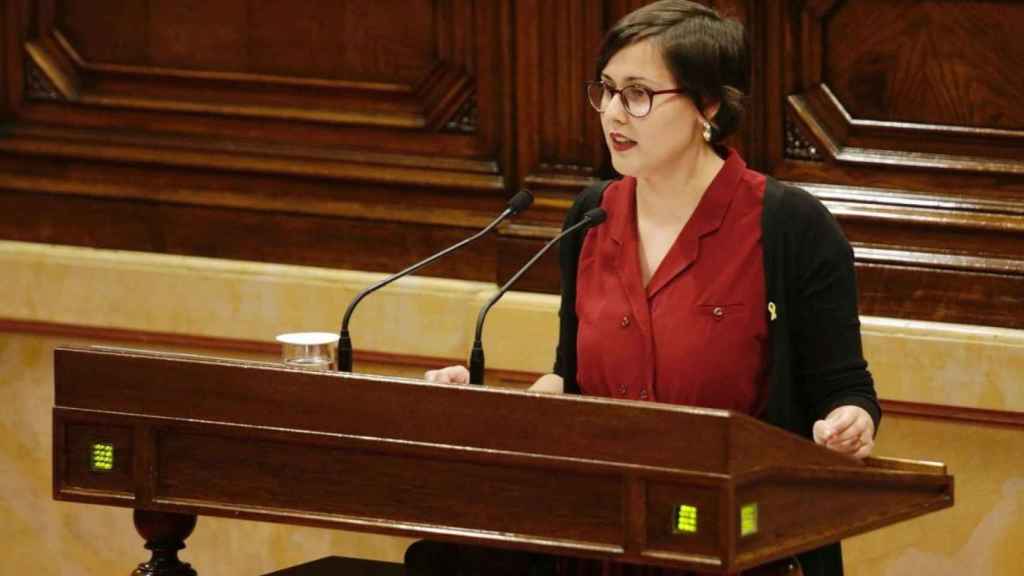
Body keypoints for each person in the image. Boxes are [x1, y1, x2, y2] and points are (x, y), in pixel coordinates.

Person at [425, 1, 880, 574]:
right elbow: (571, 378)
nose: (615, 113)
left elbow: (845, 388)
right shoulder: (591, 215)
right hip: (603, 539)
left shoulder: (789, 226)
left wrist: (849, 423)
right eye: (607, 90)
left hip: (739, 541)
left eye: (638, 93)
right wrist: (486, 405)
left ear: (707, 105)